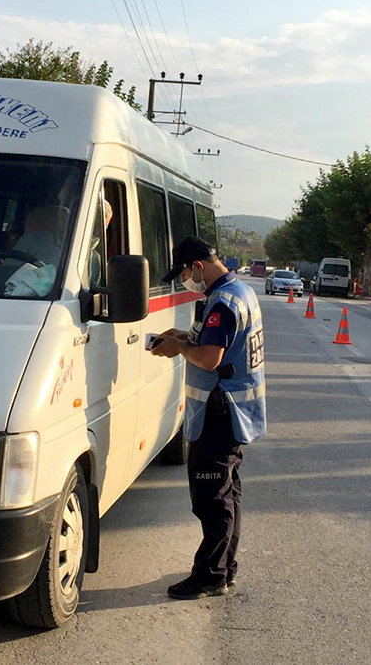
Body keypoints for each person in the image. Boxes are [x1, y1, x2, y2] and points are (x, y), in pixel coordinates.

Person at [150, 236, 266, 600]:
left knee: (211, 499)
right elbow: (218, 341)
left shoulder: (222, 303)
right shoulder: (239, 291)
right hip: (233, 411)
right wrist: (181, 336)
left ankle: (210, 576)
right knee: (228, 493)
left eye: (185, 272)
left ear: (198, 266)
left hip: (219, 410)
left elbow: (211, 358)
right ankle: (224, 568)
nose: (185, 279)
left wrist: (179, 348)